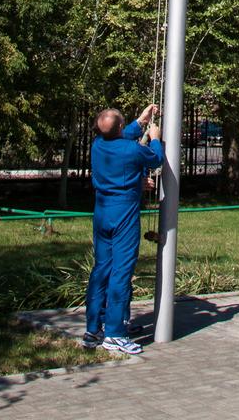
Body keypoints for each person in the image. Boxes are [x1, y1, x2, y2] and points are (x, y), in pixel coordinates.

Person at [84, 102, 163, 355]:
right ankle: (115, 334)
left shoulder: (98, 145)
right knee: (121, 272)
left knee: (101, 270)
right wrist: (155, 138)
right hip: (123, 215)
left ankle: (94, 328)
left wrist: (141, 120)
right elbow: (156, 158)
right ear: (119, 127)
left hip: (102, 212)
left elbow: (121, 137)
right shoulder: (131, 150)